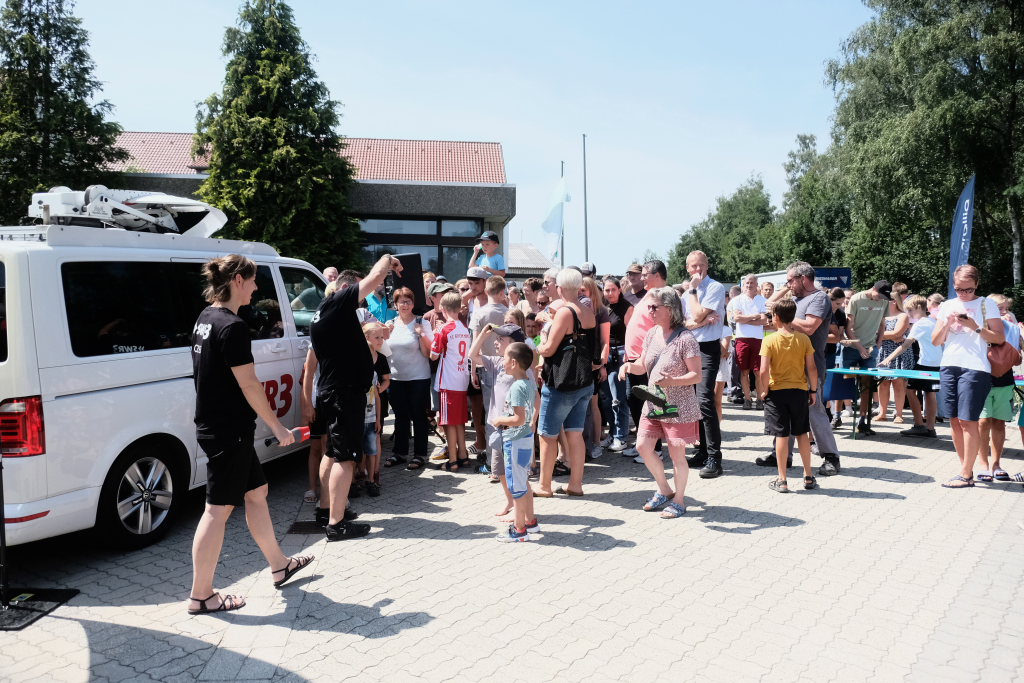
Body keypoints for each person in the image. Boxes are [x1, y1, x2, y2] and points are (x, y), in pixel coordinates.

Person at [187, 254, 312, 615]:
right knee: (217, 510)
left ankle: (279, 564)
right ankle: (201, 595)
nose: (257, 287)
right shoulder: (233, 326)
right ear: (238, 280)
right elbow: (249, 384)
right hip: (227, 430)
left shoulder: (206, 317)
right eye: (254, 280)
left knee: (257, 493)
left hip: (222, 426)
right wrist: (278, 427)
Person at [310, 253, 400, 541]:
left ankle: (326, 510)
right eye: (358, 293)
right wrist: (388, 259)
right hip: (344, 394)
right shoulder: (338, 303)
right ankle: (336, 524)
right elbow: (374, 278)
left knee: (332, 453)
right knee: (346, 458)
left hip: (334, 391)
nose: (362, 301)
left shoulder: (324, 310)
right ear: (346, 289)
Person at [621, 287, 702, 518]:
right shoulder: (651, 334)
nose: (650, 311)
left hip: (678, 407)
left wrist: (672, 381)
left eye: (654, 307)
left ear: (670, 309)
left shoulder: (686, 339)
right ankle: (665, 489)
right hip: (653, 402)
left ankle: (679, 500)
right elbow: (642, 365)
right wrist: (628, 366)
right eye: (649, 306)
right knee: (642, 447)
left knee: (677, 456)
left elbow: (697, 375)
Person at [759, 263, 840, 475]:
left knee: (814, 412)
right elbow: (769, 307)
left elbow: (810, 327)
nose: (788, 285)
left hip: (810, 367)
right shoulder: (795, 300)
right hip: (786, 368)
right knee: (784, 411)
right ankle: (782, 455)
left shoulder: (819, 299)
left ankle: (831, 456)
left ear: (803, 279)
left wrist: (784, 316)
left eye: (790, 280)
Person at [931, 264, 1005, 488]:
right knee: (954, 419)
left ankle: (965, 475)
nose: (963, 294)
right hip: (949, 365)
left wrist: (975, 327)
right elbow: (936, 341)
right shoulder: (947, 305)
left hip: (976, 367)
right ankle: (966, 470)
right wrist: (947, 324)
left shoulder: (986, 304)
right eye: (959, 289)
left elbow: (999, 338)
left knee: (968, 420)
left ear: (977, 285)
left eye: (968, 289)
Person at [535, 268, 597, 497]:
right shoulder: (588, 311)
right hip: (584, 381)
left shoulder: (565, 312)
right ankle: (576, 484)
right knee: (575, 434)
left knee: (547, 435)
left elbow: (549, 349)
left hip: (562, 382)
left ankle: (544, 486)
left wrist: (539, 345)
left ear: (560, 288)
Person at [470, 324, 536, 512]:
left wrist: (533, 420)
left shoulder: (523, 371)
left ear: (513, 344)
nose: (496, 342)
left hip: (513, 430)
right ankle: (511, 502)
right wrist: (483, 335)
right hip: (496, 427)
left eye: (501, 339)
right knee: (499, 470)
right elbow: (472, 355)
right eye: (496, 339)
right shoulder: (498, 362)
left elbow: (535, 396)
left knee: (515, 473)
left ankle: (521, 511)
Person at [758, 298, 818, 493]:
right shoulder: (803, 339)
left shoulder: (769, 340)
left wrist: (764, 390)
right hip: (799, 391)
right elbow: (812, 367)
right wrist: (813, 390)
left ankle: (782, 479)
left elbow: (763, 370)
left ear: (776, 317)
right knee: (802, 433)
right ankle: (808, 476)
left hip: (776, 393)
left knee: (781, 435)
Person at [680, 250, 727, 479]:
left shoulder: (715, 288)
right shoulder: (684, 295)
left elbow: (697, 315)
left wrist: (692, 291)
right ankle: (702, 450)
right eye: (693, 266)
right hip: (689, 348)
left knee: (705, 401)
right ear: (687, 268)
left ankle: (714, 457)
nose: (697, 270)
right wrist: (699, 323)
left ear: (707, 265)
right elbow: (683, 324)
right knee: (693, 403)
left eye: (701, 265)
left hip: (707, 349)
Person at [491, 342, 539, 541]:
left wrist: (500, 420)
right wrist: (531, 422)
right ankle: (531, 521)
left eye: (504, 358)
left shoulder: (517, 387)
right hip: (525, 439)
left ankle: (519, 530)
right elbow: (534, 407)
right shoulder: (529, 382)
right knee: (523, 482)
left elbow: (518, 418)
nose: (502, 361)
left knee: (517, 488)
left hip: (515, 441)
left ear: (513, 363)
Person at [383, 287, 434, 472]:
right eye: (401, 302)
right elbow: (383, 351)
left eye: (408, 301)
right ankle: (400, 452)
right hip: (396, 378)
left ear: (413, 303)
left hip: (418, 377)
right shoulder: (390, 323)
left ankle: (420, 454)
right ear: (395, 305)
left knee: (418, 415)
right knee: (400, 416)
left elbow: (429, 352)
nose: (404, 305)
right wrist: (385, 336)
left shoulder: (422, 322)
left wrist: (421, 334)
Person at [621, 260, 667, 457]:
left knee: (647, 402)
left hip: (647, 359)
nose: (642, 278)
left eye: (645, 274)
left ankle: (654, 449)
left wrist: (645, 354)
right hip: (634, 358)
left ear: (656, 276)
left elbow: (661, 328)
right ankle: (644, 443)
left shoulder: (663, 296)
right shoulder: (650, 294)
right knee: (634, 399)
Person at [880, 294, 942, 437]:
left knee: (909, 390)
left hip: (925, 363)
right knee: (930, 394)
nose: (908, 314)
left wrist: (888, 359)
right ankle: (930, 428)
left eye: (910, 310)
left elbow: (906, 345)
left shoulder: (920, 324)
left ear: (918, 308)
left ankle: (919, 425)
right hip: (937, 363)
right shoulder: (933, 321)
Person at [976, 293, 1022, 482]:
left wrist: (1014, 330)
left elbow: (1017, 357)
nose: (1003, 312)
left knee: (999, 422)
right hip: (982, 379)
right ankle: (983, 464)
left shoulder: (1012, 327)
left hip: (1005, 380)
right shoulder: (978, 326)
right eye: (999, 309)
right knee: (983, 421)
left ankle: (996, 464)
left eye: (1005, 308)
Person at [431, 291, 473, 471]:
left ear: (443, 308)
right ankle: (462, 454)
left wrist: (433, 334)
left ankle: (453, 460)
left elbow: (433, 355)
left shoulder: (445, 329)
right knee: (459, 421)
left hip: (448, 380)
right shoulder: (464, 328)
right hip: (461, 378)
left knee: (448, 422)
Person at [844, 280, 892, 435]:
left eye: (885, 297)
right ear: (874, 288)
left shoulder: (884, 302)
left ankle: (863, 420)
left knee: (867, 385)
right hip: (852, 348)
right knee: (845, 381)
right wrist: (859, 347)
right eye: (880, 295)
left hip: (871, 348)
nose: (881, 299)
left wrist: (878, 342)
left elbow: (882, 324)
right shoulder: (856, 299)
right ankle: (837, 415)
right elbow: (848, 327)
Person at [601, 274, 633, 451]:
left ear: (619, 290)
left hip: (620, 354)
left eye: (613, 289)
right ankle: (612, 434)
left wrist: (628, 356)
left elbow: (631, 333)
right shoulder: (603, 307)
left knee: (618, 398)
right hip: (605, 355)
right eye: (607, 290)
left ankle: (621, 437)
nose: (610, 293)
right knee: (606, 399)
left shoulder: (627, 308)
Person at [728, 274, 769, 410]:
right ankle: (747, 399)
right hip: (742, 339)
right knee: (744, 371)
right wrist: (754, 316)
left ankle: (760, 399)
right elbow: (737, 318)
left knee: (758, 372)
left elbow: (764, 320)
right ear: (743, 284)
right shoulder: (737, 300)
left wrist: (746, 319)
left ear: (756, 284)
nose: (749, 285)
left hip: (758, 340)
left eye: (752, 283)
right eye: (747, 283)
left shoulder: (762, 300)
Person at [875, 294, 913, 423]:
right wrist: (889, 335)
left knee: (898, 383)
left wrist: (880, 334)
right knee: (882, 383)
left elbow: (897, 333)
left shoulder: (903, 316)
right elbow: (876, 333)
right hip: (883, 352)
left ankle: (899, 414)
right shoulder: (881, 316)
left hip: (899, 354)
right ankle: (882, 413)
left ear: (894, 301)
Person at [825, 287, 849, 428]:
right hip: (818, 350)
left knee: (827, 381)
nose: (839, 306)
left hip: (831, 351)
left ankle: (828, 410)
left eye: (841, 304)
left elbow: (838, 336)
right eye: (837, 303)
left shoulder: (840, 314)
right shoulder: (822, 310)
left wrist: (842, 339)